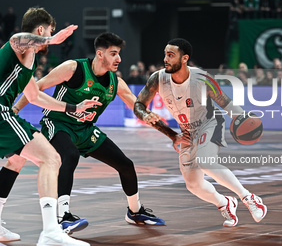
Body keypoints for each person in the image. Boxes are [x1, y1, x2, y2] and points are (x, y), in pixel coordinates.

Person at [10, 32, 164, 235]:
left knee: (126, 165)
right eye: (114, 53)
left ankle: (134, 212)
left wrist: (167, 131)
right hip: (58, 123)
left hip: (85, 130)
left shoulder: (115, 82)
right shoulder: (74, 68)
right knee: (70, 155)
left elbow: (137, 108)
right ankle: (62, 216)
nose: (119, 59)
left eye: (119, 54)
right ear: (100, 54)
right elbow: (36, 88)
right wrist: (13, 111)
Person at [134, 38, 267, 227]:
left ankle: (250, 198)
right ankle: (225, 203)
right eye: (165, 54)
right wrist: (171, 134)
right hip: (186, 131)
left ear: (184, 58)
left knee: (206, 162)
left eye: (171, 55)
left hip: (209, 123)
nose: (166, 59)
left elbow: (224, 101)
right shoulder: (157, 78)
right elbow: (139, 105)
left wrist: (242, 118)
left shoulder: (201, 78)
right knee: (193, 185)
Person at [0, 7, 99, 245]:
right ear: (42, 29)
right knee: (51, 158)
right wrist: (53, 39)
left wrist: (74, 108)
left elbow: (35, 96)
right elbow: (18, 38)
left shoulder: (30, 60)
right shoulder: (18, 44)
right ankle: (51, 233)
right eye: (49, 32)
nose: (48, 41)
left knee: (17, 159)